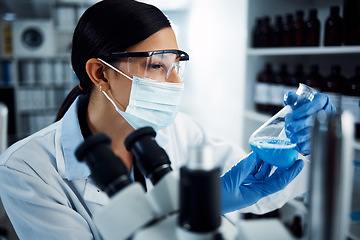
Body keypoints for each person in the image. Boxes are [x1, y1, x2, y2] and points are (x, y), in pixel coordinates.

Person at [0, 0, 335, 239]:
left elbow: (267, 192)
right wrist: (194, 208)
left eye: (176, 64)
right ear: (100, 72)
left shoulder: (181, 131)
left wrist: (305, 143)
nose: (175, 82)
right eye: (156, 65)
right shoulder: (27, 168)